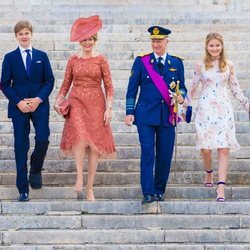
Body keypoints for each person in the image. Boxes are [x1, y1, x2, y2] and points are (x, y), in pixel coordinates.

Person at [54, 15, 116, 201]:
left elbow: (109, 86)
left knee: (95, 146)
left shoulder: (101, 59)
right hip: (77, 103)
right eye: (84, 39)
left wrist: (109, 108)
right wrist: (58, 101)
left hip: (97, 104)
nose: (87, 42)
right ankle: (80, 177)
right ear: (79, 41)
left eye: (90, 39)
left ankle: (90, 187)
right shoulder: (73, 60)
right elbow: (66, 84)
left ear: (94, 40)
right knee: (80, 137)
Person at [125, 26, 187, 204]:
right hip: (145, 115)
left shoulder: (176, 63)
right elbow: (131, 90)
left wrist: (181, 95)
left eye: (159, 41)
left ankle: (159, 190)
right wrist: (130, 112)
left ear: (166, 41)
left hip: (167, 114)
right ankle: (148, 192)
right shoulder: (142, 61)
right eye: (153, 41)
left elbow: (182, 86)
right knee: (147, 153)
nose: (156, 44)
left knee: (165, 153)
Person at [185, 32, 249, 202]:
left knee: (223, 148)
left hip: (223, 110)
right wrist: (182, 105)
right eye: (211, 45)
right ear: (207, 47)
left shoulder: (228, 65)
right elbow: (192, 88)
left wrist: (247, 104)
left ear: (222, 46)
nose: (214, 48)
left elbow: (235, 89)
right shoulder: (200, 66)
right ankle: (208, 172)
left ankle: (221, 187)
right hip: (205, 110)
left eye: (217, 45)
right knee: (205, 148)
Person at [1, 20, 55, 202]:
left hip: (39, 106)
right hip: (19, 107)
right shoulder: (10, 58)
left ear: (31, 34)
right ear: (16, 37)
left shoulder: (42, 56)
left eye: (26, 33)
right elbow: (4, 84)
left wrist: (39, 99)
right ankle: (23, 188)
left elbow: (49, 81)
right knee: (21, 146)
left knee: (43, 138)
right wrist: (18, 102)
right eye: (20, 34)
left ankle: (36, 168)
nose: (24, 36)